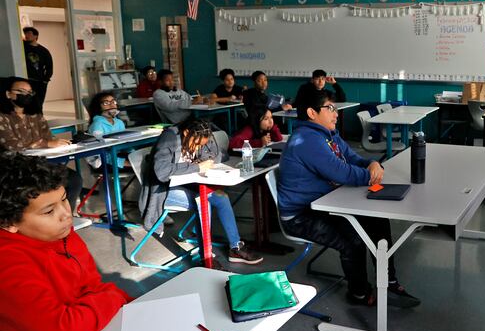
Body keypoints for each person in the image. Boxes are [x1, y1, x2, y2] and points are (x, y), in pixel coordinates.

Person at [277, 88, 418, 307]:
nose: (336, 113)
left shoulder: (328, 135)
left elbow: (352, 158)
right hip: (301, 215)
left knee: (377, 220)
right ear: (312, 113)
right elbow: (342, 173)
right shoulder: (306, 140)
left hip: (327, 203)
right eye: (330, 108)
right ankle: (359, 293)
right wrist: (371, 176)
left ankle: (389, 281)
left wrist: (372, 164)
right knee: (352, 241)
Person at [0, 153, 132, 331]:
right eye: (48, 211)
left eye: (64, 200)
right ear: (9, 222)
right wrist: (114, 298)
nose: (66, 214)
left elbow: (92, 284)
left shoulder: (59, 233)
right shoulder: (7, 262)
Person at [138, 118, 263, 265]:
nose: (198, 148)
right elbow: (161, 171)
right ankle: (206, 255)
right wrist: (197, 167)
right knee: (202, 201)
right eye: (197, 144)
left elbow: (218, 154)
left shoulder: (200, 135)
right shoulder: (170, 138)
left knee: (222, 197)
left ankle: (235, 247)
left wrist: (206, 160)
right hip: (163, 189)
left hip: (188, 184)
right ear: (186, 133)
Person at [0, 77, 83, 210]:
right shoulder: (2, 116)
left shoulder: (35, 115)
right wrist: (43, 143)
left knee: (74, 179)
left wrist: (56, 143)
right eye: (21, 91)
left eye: (29, 92)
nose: (26, 95)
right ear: (8, 93)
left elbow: (48, 137)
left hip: (40, 162)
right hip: (14, 166)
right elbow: (11, 145)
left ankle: (67, 216)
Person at [87, 92, 127, 168]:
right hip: (104, 162)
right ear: (98, 107)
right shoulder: (97, 125)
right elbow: (100, 153)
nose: (112, 105)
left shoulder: (119, 122)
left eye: (113, 102)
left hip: (118, 154)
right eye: (106, 103)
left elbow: (126, 143)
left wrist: (133, 154)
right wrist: (126, 163)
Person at [22, 27, 53, 108]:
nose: (26, 35)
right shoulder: (22, 47)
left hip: (39, 81)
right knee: (26, 103)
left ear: (36, 36)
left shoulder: (43, 51)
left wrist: (45, 80)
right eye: (25, 33)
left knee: (38, 103)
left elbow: (49, 66)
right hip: (26, 80)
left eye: (29, 33)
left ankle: (38, 119)